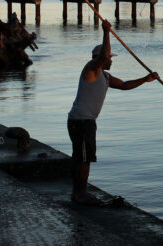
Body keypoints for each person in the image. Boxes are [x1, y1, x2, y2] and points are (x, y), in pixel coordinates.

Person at [67, 19, 157, 205]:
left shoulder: (105, 77)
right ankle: (79, 194)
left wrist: (145, 79)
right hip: (81, 121)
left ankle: (79, 192)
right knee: (84, 159)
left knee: (83, 158)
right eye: (109, 58)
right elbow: (102, 56)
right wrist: (106, 31)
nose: (111, 61)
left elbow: (124, 85)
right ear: (100, 58)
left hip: (86, 121)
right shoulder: (91, 69)